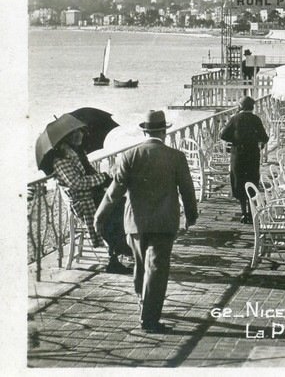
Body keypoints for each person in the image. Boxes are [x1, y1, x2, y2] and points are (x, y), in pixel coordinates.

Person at [94, 110, 199, 334]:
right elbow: (187, 190)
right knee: (157, 268)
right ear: (164, 132)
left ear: (145, 132)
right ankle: (149, 319)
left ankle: (143, 302)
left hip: (135, 223)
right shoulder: (176, 157)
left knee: (141, 265)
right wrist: (191, 216)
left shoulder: (129, 156)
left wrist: (99, 215)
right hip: (164, 221)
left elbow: (114, 192)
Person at [50, 124, 132, 274]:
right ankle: (116, 256)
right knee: (112, 211)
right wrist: (102, 177)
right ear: (65, 139)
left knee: (123, 204)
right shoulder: (61, 160)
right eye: (73, 133)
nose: (79, 135)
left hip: (91, 196)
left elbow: (89, 174)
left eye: (80, 131)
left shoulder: (78, 153)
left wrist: (104, 178)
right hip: (83, 202)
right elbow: (77, 183)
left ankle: (123, 247)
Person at [220, 96, 269, 224]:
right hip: (252, 155)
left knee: (239, 182)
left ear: (240, 106)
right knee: (252, 181)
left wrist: (235, 139)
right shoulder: (255, 119)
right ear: (252, 107)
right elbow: (265, 137)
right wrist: (258, 140)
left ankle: (244, 213)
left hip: (238, 155)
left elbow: (223, 135)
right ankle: (252, 211)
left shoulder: (234, 119)